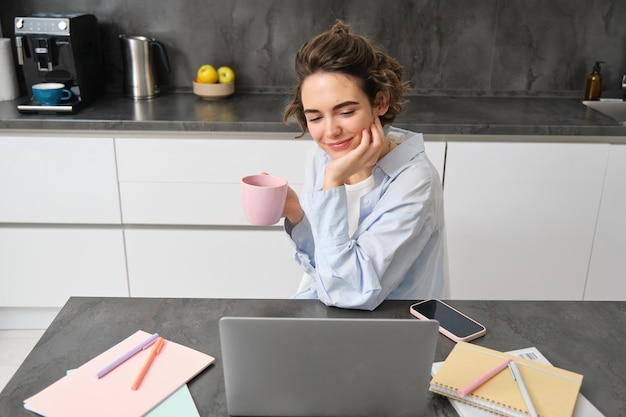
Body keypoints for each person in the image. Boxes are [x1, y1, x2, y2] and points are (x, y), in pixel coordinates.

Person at [281, 20, 448, 310]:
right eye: (316, 117)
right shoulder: (321, 157)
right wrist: (298, 216)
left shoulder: (414, 180)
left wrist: (333, 181)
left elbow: (350, 292)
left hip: (391, 333)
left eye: (345, 111)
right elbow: (325, 272)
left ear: (380, 103)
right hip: (325, 316)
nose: (330, 131)